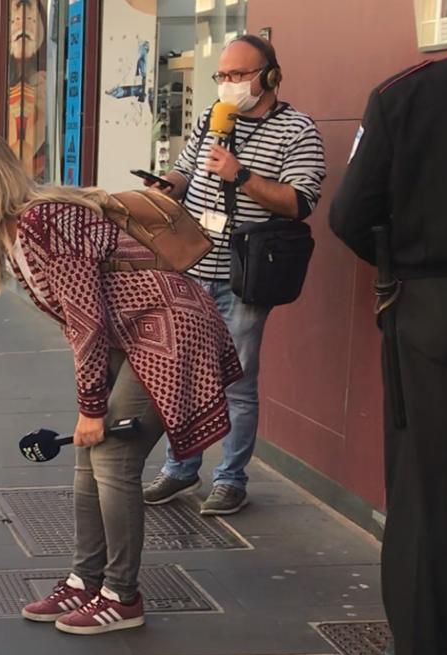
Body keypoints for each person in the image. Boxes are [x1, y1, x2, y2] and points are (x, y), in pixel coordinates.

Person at [0, 133, 241, 635]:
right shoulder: (12, 232)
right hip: (134, 332)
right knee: (88, 455)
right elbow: (87, 320)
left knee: (113, 458)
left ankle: (122, 595)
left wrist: (91, 406)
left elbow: (86, 321)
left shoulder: (41, 220)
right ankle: (85, 580)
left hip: (166, 328)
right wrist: (91, 407)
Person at [328, 0, 447, 655]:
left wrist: (404, 264)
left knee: (425, 479)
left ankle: (421, 653)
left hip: (434, 303)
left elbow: (349, 215)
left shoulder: (406, 94)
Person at [139, 34, 326, 516]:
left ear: (269, 77)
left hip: (246, 276)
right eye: (221, 76)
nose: (227, 85)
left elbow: (300, 202)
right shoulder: (211, 119)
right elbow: (184, 171)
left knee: (236, 383)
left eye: (238, 75)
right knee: (181, 373)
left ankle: (231, 478)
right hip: (193, 265)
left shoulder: (298, 130)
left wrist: (241, 176)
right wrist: (166, 186)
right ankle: (180, 468)